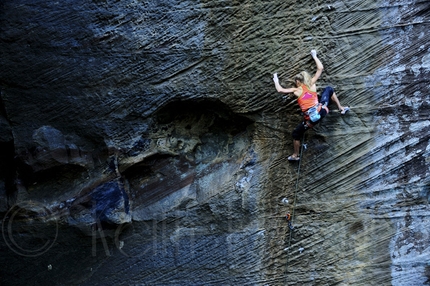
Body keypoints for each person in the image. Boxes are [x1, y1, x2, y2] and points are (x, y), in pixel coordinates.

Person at [273, 50, 349, 161]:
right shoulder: (311, 84)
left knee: (296, 134)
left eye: (296, 81)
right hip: (323, 110)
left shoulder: (297, 90)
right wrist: (314, 55)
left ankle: (295, 155)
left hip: (311, 119)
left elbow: (280, 90)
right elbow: (320, 69)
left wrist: (276, 79)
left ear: (298, 81)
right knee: (329, 89)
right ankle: (341, 108)